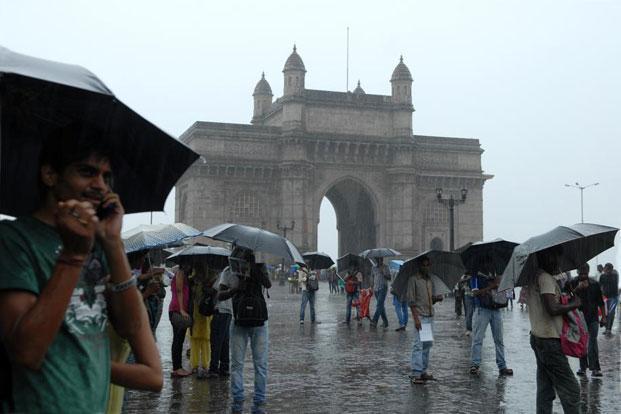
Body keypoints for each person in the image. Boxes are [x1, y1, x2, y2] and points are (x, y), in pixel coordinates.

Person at [0, 123, 162, 413]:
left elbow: (130, 327)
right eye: (87, 172)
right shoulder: (12, 241)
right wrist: (73, 257)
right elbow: (27, 352)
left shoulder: (99, 246)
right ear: (50, 174)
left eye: (106, 176)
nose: (100, 185)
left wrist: (112, 243)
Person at [527, 250, 582, 414]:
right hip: (550, 340)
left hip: (538, 337)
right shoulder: (545, 278)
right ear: (545, 258)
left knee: (545, 389)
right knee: (571, 388)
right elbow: (552, 308)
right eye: (555, 257)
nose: (558, 261)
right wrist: (575, 304)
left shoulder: (534, 276)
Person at [218, 247, 271, 414]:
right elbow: (219, 295)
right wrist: (236, 288)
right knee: (237, 364)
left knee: (260, 364)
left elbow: (268, 284)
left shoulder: (259, 267)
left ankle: (260, 399)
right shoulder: (229, 271)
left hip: (259, 322)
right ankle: (238, 398)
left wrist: (256, 269)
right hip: (239, 321)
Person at [468, 272, 513, 377]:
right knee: (478, 338)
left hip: (496, 309)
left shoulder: (498, 274)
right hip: (482, 309)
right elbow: (474, 293)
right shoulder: (476, 276)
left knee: (499, 340)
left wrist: (502, 284)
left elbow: (509, 293)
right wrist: (491, 287)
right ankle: (475, 364)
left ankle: (502, 366)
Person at [407, 256, 443, 385]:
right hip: (421, 316)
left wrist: (436, 299)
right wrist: (416, 319)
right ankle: (416, 373)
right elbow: (411, 302)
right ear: (419, 266)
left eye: (428, 265)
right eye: (424, 265)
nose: (427, 267)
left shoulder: (429, 280)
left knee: (427, 344)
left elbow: (430, 300)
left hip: (429, 315)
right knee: (418, 344)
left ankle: (423, 370)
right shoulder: (413, 280)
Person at [566, 263, 606, 378]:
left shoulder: (594, 284)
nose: (583, 275)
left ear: (588, 272)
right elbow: (567, 298)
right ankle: (583, 367)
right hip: (579, 318)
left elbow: (601, 303)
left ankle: (595, 368)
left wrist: (603, 317)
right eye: (581, 273)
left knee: (593, 342)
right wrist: (577, 289)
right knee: (582, 343)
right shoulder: (572, 283)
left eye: (585, 273)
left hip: (593, 317)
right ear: (577, 272)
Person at [189, 262, 215, 379]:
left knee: (201, 339)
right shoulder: (193, 281)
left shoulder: (206, 281)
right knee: (201, 340)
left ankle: (200, 365)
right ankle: (201, 365)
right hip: (198, 312)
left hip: (202, 312)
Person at [207, 266, 233, 379]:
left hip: (220, 310)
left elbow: (214, 291)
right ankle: (224, 368)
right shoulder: (234, 272)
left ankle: (213, 369)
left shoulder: (225, 272)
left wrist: (206, 285)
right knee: (224, 341)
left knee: (216, 341)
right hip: (228, 311)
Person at [169, 263, 192, 378]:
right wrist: (182, 309)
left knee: (179, 339)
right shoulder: (180, 273)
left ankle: (178, 367)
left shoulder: (185, 274)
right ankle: (176, 368)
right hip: (177, 310)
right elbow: (179, 290)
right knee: (178, 340)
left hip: (178, 310)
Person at [370, 257, 391, 329]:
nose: (380, 260)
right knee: (381, 306)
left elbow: (389, 278)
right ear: (376, 260)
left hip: (383, 288)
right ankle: (385, 322)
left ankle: (374, 321)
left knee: (379, 305)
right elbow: (372, 277)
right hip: (376, 288)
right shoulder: (373, 268)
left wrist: (384, 273)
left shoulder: (386, 267)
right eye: (378, 259)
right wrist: (371, 287)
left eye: (381, 259)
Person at [599, 263, 618, 335]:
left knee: (611, 313)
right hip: (605, 297)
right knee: (606, 313)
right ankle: (607, 327)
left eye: (608, 269)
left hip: (614, 297)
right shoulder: (602, 276)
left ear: (611, 269)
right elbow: (600, 286)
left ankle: (608, 329)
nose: (606, 271)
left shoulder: (615, 275)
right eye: (605, 269)